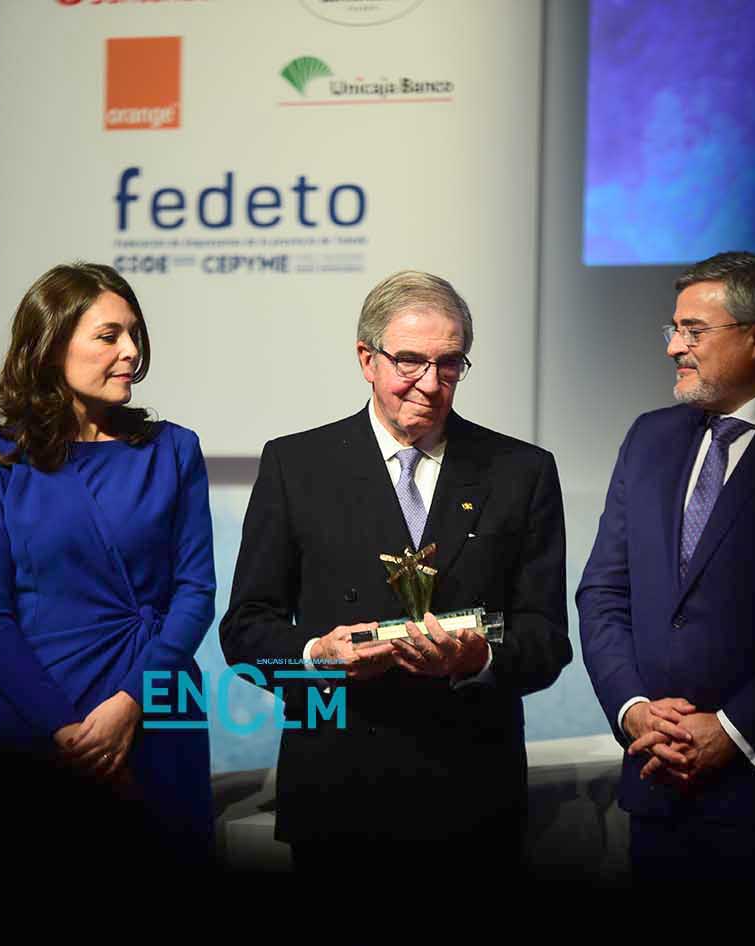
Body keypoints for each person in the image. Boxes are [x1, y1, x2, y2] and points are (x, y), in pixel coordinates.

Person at [219, 270, 571, 872]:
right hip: (337, 791)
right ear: (367, 359)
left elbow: (547, 639)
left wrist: (479, 659)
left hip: (472, 796)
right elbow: (246, 630)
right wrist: (315, 656)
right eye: (410, 361)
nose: (430, 384)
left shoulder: (522, 471)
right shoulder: (295, 465)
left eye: (449, 364)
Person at [576, 251, 755, 889]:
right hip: (655, 789)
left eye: (693, 331)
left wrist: (732, 730)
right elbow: (603, 592)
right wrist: (635, 710)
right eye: (674, 329)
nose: (673, 348)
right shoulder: (650, 438)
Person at [0, 262, 215, 860]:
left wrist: (131, 702)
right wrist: (65, 729)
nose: (131, 351)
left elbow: (195, 593)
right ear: (50, 346)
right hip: (30, 715)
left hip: (155, 708)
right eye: (108, 335)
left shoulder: (174, 449)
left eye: (134, 334)